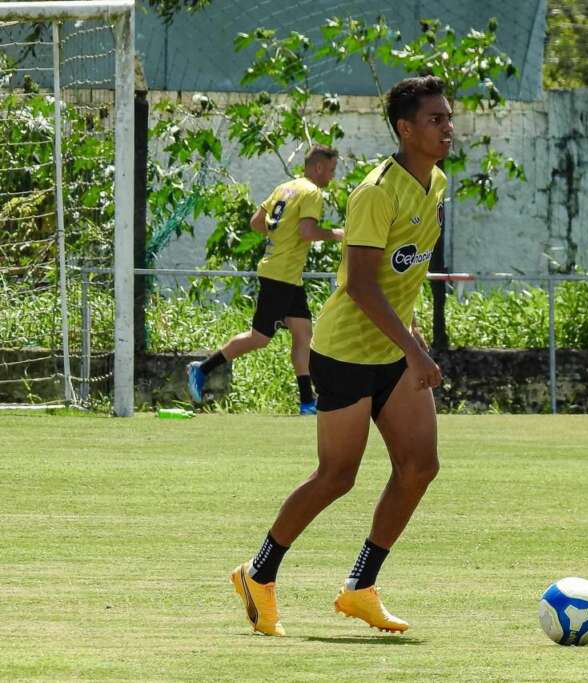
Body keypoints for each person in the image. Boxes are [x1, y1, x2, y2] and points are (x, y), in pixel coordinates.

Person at [228, 75, 453, 636]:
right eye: (436, 120)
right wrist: (415, 351)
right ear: (405, 129)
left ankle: (360, 588)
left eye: (449, 118)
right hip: (347, 352)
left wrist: (411, 334)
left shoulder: (436, 183)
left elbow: (405, 272)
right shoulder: (375, 192)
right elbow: (360, 284)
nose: (449, 128)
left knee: (419, 467)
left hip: (393, 350)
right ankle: (258, 573)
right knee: (337, 476)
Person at [186, 145, 342, 415]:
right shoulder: (312, 192)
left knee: (303, 334)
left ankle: (307, 402)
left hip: (287, 275)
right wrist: (337, 234)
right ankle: (202, 368)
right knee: (259, 338)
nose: (332, 175)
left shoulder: (284, 188)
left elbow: (256, 222)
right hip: (281, 275)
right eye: (331, 170)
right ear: (318, 167)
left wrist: (280, 236)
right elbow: (307, 232)